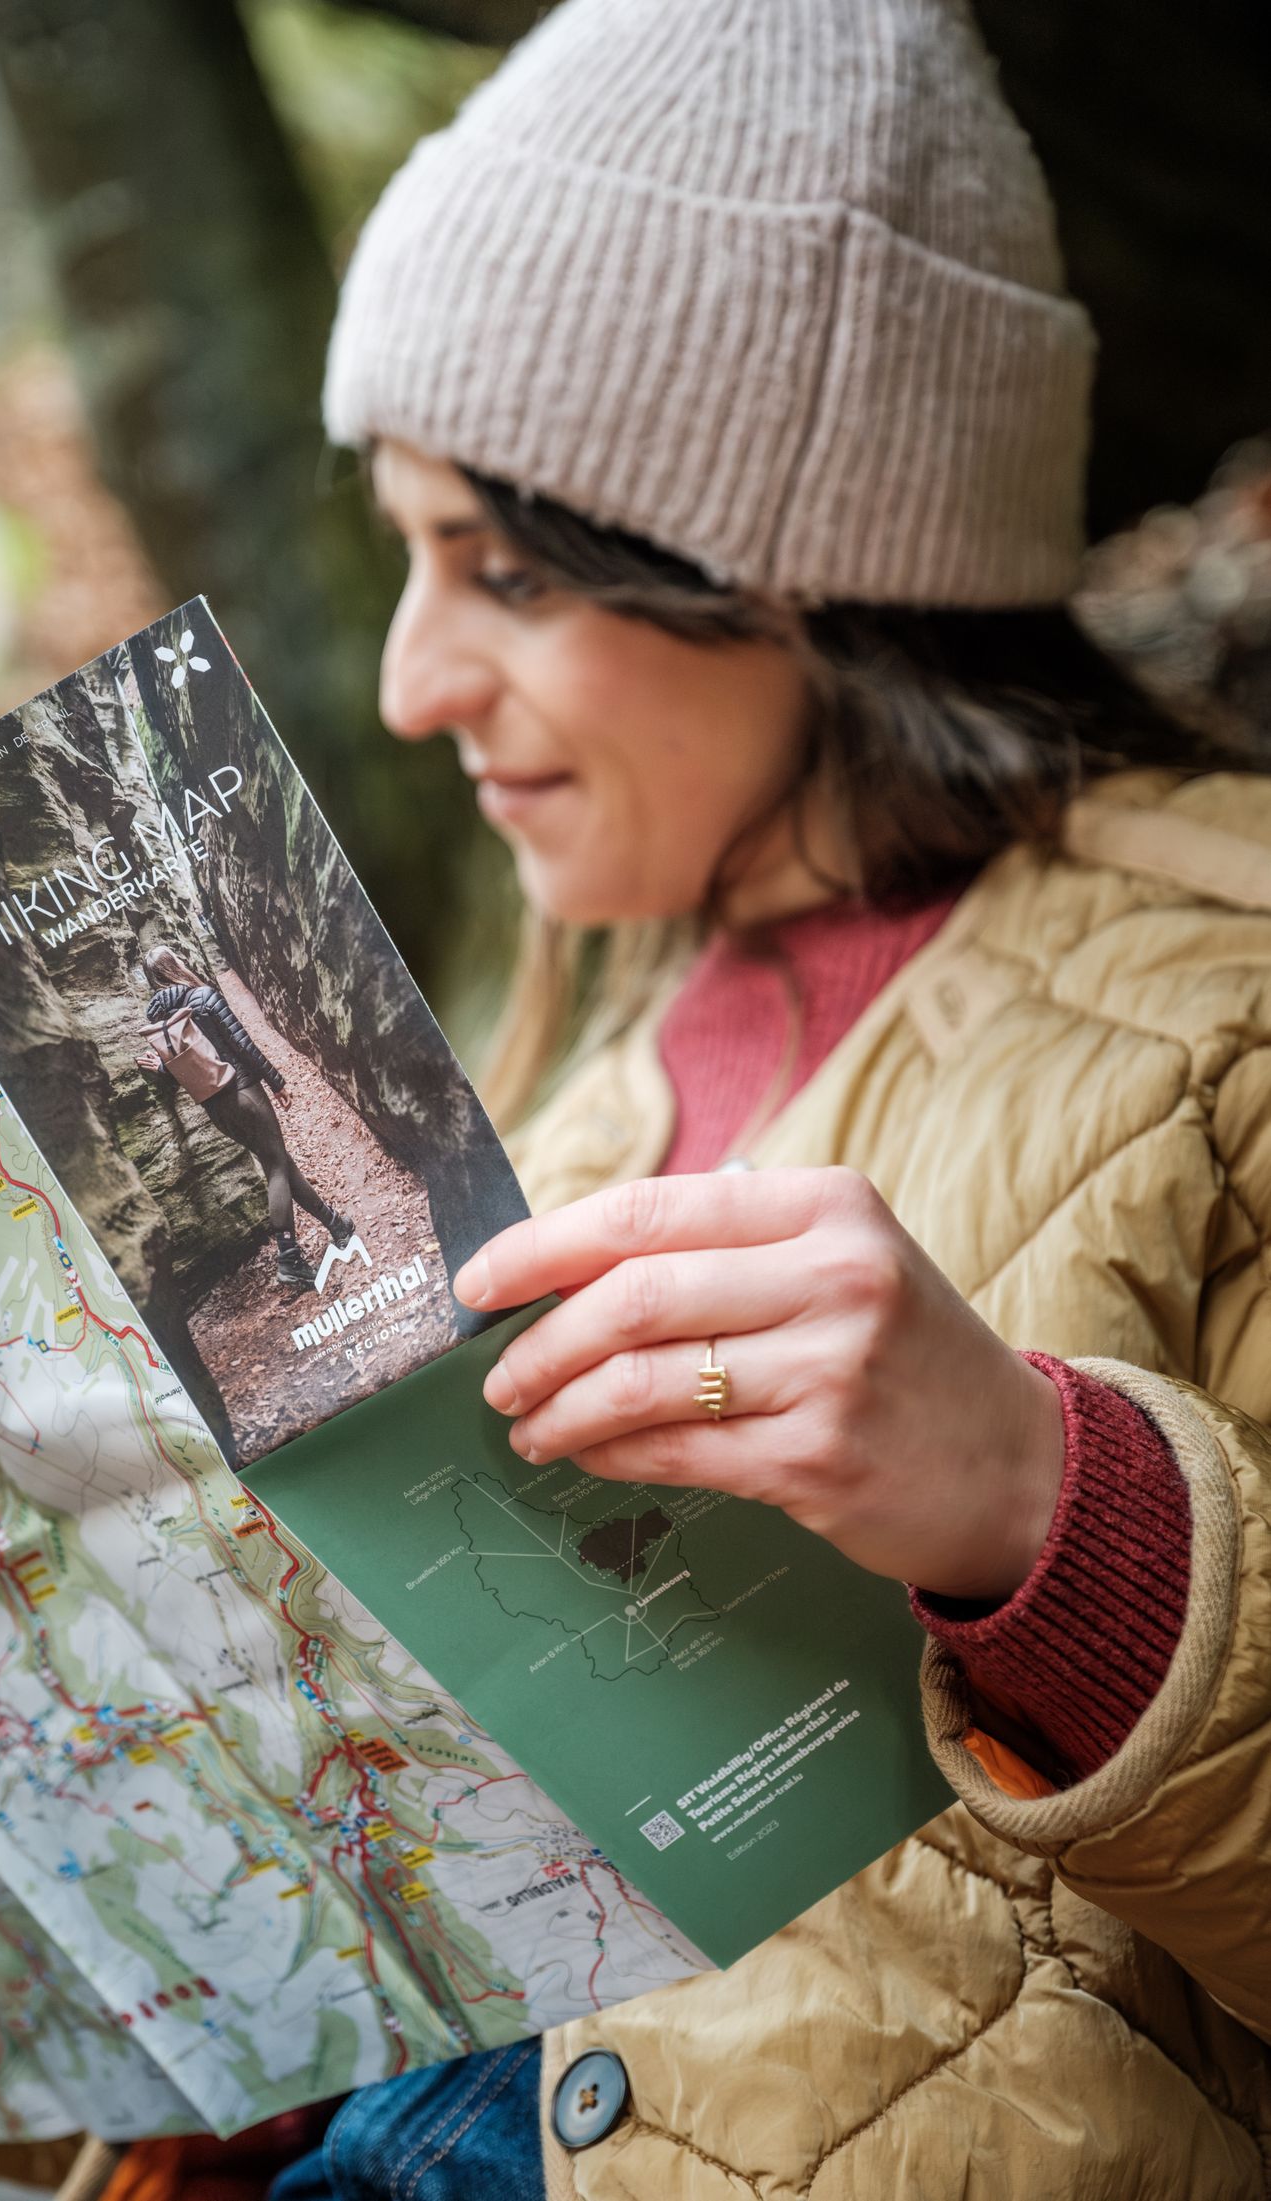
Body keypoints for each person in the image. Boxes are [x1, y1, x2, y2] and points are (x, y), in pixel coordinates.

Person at [270, 0, 1271, 2192]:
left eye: (502, 569)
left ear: (809, 562)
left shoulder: (1234, 1022)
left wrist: (1046, 1508)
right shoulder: (556, 1075)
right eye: (409, 552)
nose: (409, 679)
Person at [136, 944, 350, 1294]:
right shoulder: (203, 997)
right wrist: (276, 1081)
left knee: (276, 1160)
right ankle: (289, 1258)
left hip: (217, 1109)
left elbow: (180, 1073)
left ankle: (336, 1224)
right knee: (276, 1166)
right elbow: (242, 1045)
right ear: (174, 966)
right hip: (244, 1092)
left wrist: (160, 1068)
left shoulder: (158, 1024)